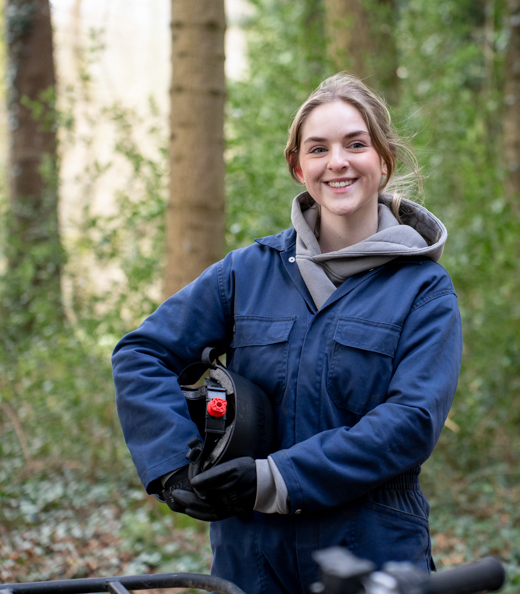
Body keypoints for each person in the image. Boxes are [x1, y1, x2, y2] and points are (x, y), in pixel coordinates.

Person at [112, 73, 462, 594]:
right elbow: (142, 353)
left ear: (383, 162)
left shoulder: (424, 290)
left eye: (356, 144)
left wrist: (277, 478)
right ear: (299, 166)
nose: (337, 162)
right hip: (251, 557)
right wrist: (173, 468)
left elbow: (410, 421)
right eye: (318, 148)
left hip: (372, 550)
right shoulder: (246, 272)